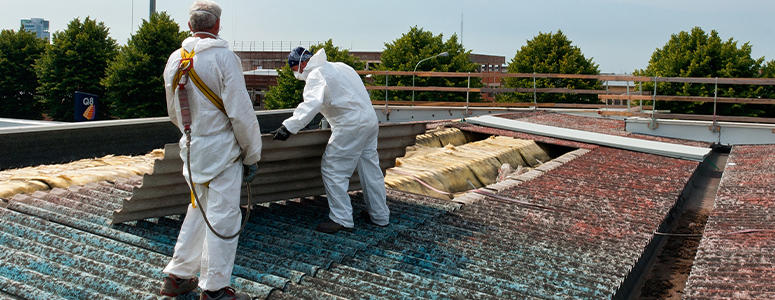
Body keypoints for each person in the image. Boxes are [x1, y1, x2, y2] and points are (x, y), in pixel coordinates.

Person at [159, 1, 261, 299]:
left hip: (192, 151)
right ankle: (215, 290)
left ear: (190, 26)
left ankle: (178, 276)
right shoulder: (225, 59)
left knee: (198, 212)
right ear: (217, 25)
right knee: (223, 219)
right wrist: (252, 154)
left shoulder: (175, 60)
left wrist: (196, 136)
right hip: (223, 155)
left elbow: (174, 112)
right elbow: (241, 115)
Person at [273, 47, 390, 233]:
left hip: (351, 125)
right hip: (369, 121)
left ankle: (342, 219)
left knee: (333, 168)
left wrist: (289, 127)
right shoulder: (341, 67)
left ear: (302, 63)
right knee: (370, 169)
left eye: (294, 69)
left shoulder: (315, 75)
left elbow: (311, 104)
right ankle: (380, 215)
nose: (295, 74)